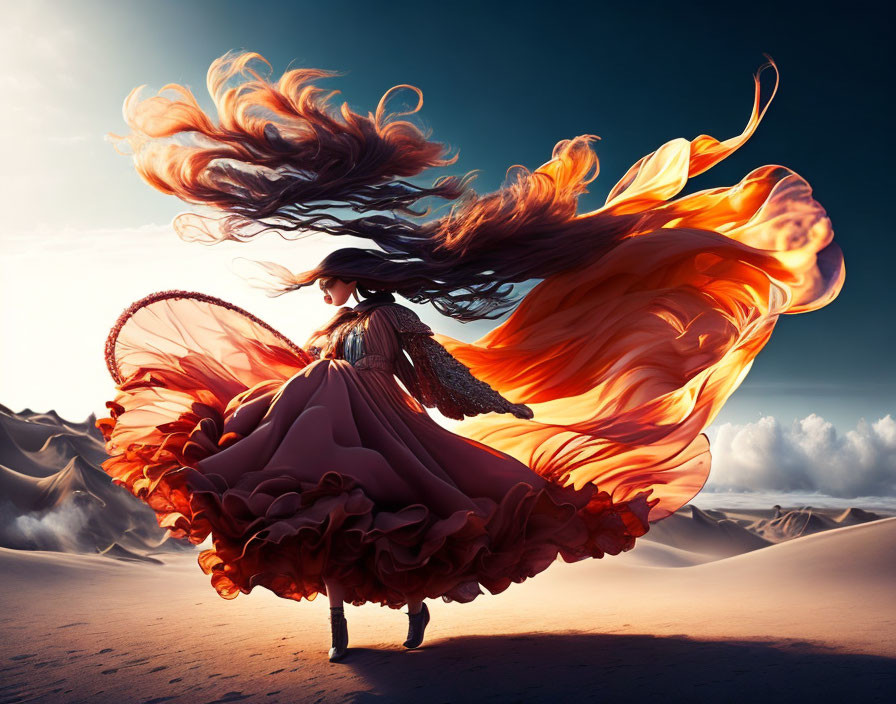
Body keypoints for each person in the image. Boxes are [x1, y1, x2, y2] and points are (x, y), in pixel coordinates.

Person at [97, 51, 844, 662]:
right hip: (316, 420)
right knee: (315, 520)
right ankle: (338, 632)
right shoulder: (331, 334)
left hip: (384, 427)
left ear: (356, 278)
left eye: (330, 282)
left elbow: (438, 377)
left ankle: (416, 606)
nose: (325, 293)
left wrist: (499, 405)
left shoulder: (396, 320)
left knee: (403, 518)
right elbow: (299, 369)